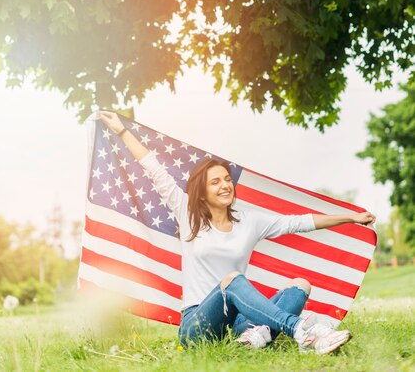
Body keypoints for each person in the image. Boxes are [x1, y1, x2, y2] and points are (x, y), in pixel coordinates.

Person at [99, 111, 376, 354]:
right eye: (215, 182)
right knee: (232, 280)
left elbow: (299, 222)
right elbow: (153, 167)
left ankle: (254, 336)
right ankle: (302, 331)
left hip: (237, 322)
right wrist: (122, 130)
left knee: (301, 285)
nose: (225, 185)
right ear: (203, 191)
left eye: (227, 180)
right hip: (198, 324)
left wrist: (350, 218)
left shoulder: (249, 222)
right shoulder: (188, 213)